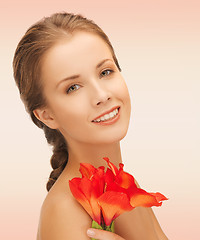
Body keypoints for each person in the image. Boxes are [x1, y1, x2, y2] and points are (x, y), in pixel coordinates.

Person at [13, 12, 168, 240]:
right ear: (47, 115)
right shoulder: (64, 210)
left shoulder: (125, 186)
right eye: (73, 87)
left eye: (106, 72)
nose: (102, 95)